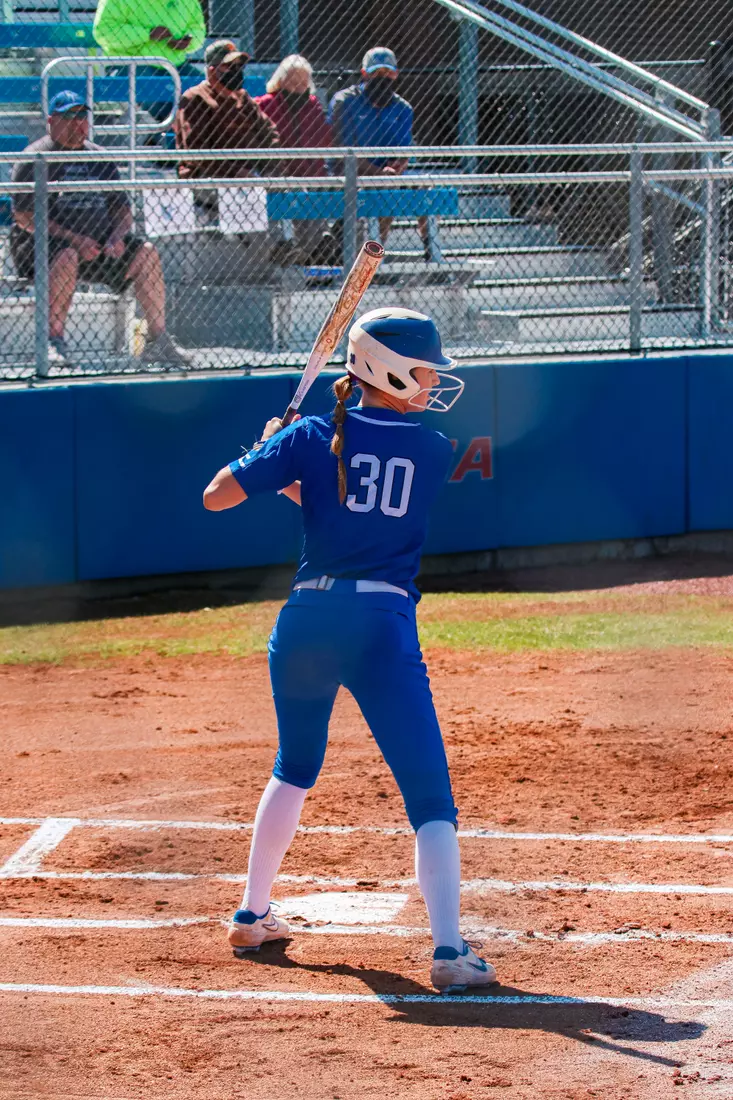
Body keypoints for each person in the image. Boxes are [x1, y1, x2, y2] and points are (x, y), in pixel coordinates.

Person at [202, 307, 497, 994]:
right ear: (389, 371)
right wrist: (287, 458)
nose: (433, 383)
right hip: (379, 624)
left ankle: (251, 913)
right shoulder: (431, 449)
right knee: (429, 796)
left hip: (306, 620)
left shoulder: (311, 436)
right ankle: (450, 951)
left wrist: (267, 455)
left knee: (294, 768)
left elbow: (217, 497)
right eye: (424, 372)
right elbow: (354, 500)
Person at [10, 91, 191, 367]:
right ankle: (52, 340)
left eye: (82, 116)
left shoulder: (99, 157)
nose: (78, 124)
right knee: (67, 255)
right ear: (51, 122)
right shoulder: (36, 157)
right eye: (69, 117)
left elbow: (122, 211)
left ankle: (158, 340)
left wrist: (117, 237)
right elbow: (24, 217)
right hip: (43, 248)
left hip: (97, 246)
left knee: (147, 253)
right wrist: (74, 239)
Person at [328, 47, 429, 256]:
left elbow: (403, 150)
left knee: (425, 187)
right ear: (364, 74)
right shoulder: (345, 101)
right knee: (384, 185)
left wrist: (396, 167)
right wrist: (379, 173)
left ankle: (430, 247)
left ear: (396, 75)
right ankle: (370, 255)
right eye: (376, 73)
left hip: (386, 174)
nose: (382, 79)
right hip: (349, 173)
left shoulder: (403, 108)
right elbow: (344, 152)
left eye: (387, 73)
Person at [255, 55, 335, 264]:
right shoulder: (264, 104)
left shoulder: (312, 105)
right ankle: (300, 244)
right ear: (280, 82)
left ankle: (319, 245)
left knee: (313, 189)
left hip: (308, 172)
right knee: (293, 191)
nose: (299, 88)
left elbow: (322, 139)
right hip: (276, 172)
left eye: (303, 83)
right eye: (293, 82)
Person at [175, 40, 280, 182]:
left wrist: (270, 168)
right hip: (208, 177)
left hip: (251, 173)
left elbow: (269, 131)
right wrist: (237, 172)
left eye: (239, 66)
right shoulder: (195, 98)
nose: (235, 71)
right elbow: (196, 151)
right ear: (212, 70)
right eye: (229, 66)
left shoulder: (243, 97)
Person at [93, 0, 205, 124]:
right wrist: (147, 34)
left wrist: (188, 41)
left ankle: (185, 130)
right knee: (156, 98)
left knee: (207, 90)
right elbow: (103, 31)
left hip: (175, 64)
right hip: (130, 63)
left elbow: (197, 29)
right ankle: (166, 132)